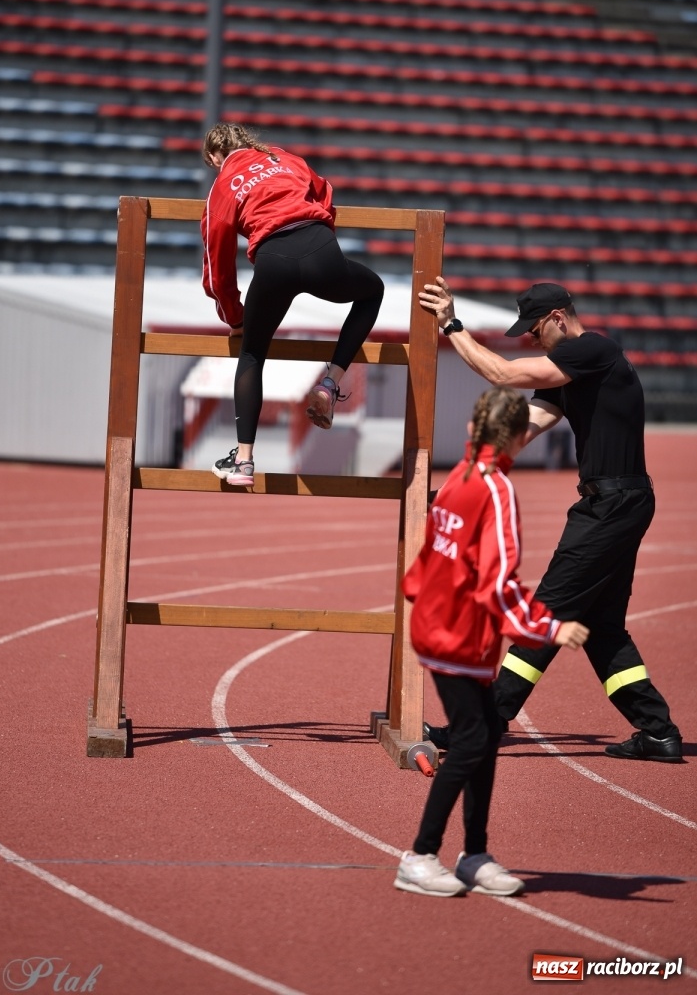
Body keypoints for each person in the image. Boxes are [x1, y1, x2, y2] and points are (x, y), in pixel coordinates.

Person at [418, 277, 683, 763]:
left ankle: (480, 727)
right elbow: (518, 437)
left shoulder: (592, 350)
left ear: (559, 318)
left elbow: (502, 373)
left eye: (537, 332)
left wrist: (451, 326)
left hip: (612, 505)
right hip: (615, 504)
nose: (533, 342)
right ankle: (657, 731)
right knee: (602, 627)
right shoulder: (573, 377)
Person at [395, 388, 589, 899]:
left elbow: (436, 559)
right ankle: (420, 854)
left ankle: (474, 854)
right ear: (519, 436)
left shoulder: (458, 476)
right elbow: (498, 583)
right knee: (471, 743)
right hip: (457, 635)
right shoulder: (495, 488)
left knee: (483, 736)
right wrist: (550, 628)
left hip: (442, 626)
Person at [200, 123, 384, 486]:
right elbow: (325, 191)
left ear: (213, 157)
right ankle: (330, 384)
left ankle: (243, 461)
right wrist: (322, 241)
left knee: (252, 355)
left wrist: (234, 316)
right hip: (319, 249)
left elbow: (216, 264)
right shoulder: (284, 157)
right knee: (372, 290)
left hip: (273, 261)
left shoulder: (223, 184)